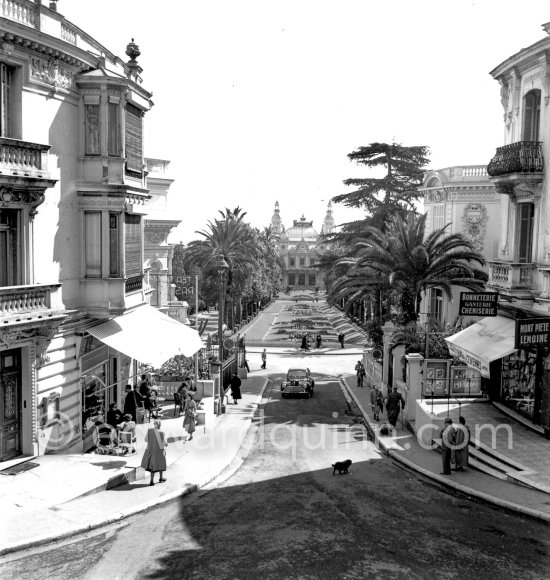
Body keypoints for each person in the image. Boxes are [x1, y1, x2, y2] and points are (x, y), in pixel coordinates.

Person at [141, 419, 168, 486]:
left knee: (152, 465)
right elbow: (163, 442)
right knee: (160, 463)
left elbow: (145, 440)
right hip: (159, 450)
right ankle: (161, 478)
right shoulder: (161, 432)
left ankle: (151, 481)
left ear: (154, 424)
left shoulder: (150, 430)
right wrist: (166, 444)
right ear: (159, 424)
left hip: (150, 449)